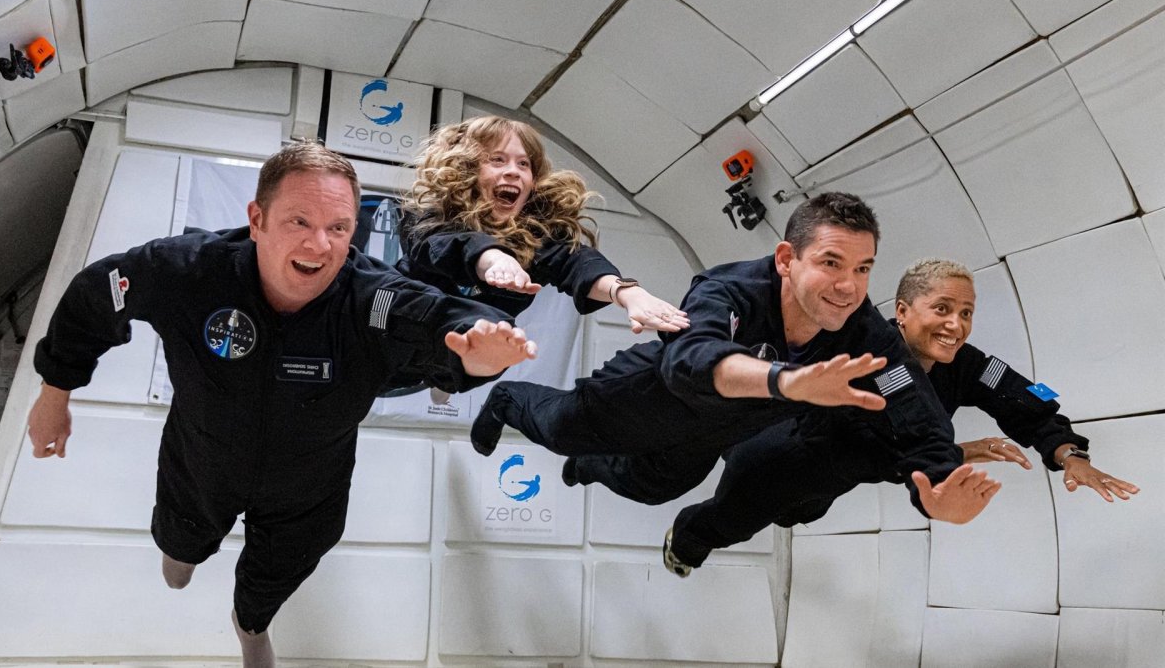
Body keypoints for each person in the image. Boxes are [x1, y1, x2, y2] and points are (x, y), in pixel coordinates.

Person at [26, 142, 537, 667]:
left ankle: (250, 627)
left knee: (269, 585)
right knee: (179, 558)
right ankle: (183, 554)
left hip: (309, 486)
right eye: (299, 221)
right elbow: (95, 295)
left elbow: (444, 321)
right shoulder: (191, 271)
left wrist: (479, 357)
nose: (320, 244)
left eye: (339, 227)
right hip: (200, 462)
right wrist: (55, 392)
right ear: (257, 218)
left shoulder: (371, 298)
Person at [470, 192, 1000, 540]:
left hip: (716, 431)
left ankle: (587, 468)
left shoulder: (866, 330)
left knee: (655, 488)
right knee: (564, 431)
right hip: (645, 395)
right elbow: (689, 359)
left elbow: (914, 409)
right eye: (831, 263)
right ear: (787, 259)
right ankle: (508, 399)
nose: (848, 286)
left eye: (863, 269)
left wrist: (936, 488)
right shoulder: (731, 288)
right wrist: (784, 381)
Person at [662, 258, 1137, 577]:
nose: (957, 324)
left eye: (967, 312)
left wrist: (1068, 453)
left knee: (800, 512)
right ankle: (682, 540)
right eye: (943, 309)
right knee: (724, 522)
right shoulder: (858, 349)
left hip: (833, 481)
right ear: (904, 312)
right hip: (778, 456)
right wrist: (953, 454)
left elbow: (1022, 400)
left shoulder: (966, 364)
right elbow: (876, 439)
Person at [397, 115, 688, 332]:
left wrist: (627, 293)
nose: (513, 172)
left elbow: (578, 263)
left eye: (523, 164)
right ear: (468, 169)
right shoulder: (429, 214)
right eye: (497, 160)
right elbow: (442, 243)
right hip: (397, 326)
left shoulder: (537, 236)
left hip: (463, 356)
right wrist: (493, 258)